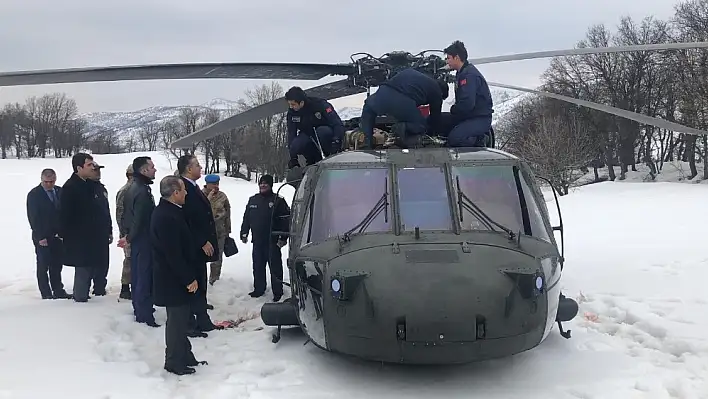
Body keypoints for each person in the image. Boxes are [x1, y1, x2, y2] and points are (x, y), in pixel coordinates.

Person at [151, 175, 206, 375]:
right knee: (176, 322)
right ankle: (174, 361)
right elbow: (172, 253)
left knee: (181, 319)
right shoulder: (166, 216)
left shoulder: (172, 211)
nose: (186, 192)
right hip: (172, 279)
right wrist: (188, 279)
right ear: (175, 193)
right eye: (183, 190)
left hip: (175, 276)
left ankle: (185, 355)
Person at [177, 154, 221, 333]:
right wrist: (201, 241)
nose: (200, 168)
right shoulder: (182, 188)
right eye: (197, 165)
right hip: (191, 247)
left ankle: (202, 319)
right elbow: (186, 219)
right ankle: (190, 322)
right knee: (193, 283)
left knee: (200, 282)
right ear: (188, 169)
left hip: (199, 247)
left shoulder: (193, 187)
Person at [59, 153, 112, 303]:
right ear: (78, 168)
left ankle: (93, 292)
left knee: (96, 266)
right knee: (83, 268)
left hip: (95, 236)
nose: (93, 167)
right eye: (89, 165)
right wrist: (69, 236)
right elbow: (65, 216)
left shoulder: (91, 185)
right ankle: (80, 298)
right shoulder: (70, 188)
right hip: (80, 238)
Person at [360, 68, 449, 148]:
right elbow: (435, 118)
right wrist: (435, 134)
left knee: (368, 109)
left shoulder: (413, 73)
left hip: (382, 93)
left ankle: (366, 143)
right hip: (401, 101)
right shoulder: (437, 90)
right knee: (422, 126)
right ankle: (399, 127)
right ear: (442, 93)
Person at [119, 156, 158, 326]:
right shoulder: (141, 191)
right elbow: (139, 219)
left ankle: (141, 307)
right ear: (143, 170)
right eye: (152, 167)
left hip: (138, 239)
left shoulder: (134, 187)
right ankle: (144, 314)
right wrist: (130, 237)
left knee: (138, 275)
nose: (154, 170)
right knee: (143, 276)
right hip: (143, 240)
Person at [240, 174, 290, 302]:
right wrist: (244, 232)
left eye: (265, 183)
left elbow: (286, 221)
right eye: (261, 183)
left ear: (270, 185)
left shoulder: (278, 200)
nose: (262, 185)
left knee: (275, 268)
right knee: (258, 266)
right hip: (257, 241)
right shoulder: (253, 200)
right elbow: (247, 218)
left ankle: (277, 292)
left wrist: (283, 238)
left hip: (272, 241)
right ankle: (259, 289)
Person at [26, 168, 70, 300]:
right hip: (43, 235)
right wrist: (40, 237)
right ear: (42, 180)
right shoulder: (34, 194)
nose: (49, 184)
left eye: (52, 181)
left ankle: (58, 289)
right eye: (46, 182)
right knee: (43, 264)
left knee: (57, 264)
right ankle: (46, 292)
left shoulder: (60, 191)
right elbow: (33, 217)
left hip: (58, 235)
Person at [442, 40, 495, 147]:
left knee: (455, 138)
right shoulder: (462, 73)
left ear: (456, 57)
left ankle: (480, 140)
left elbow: (467, 104)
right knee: (437, 121)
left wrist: (454, 110)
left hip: (479, 119)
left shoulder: (469, 76)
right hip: (468, 116)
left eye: (448, 58)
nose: (447, 62)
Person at [285, 86, 345, 168]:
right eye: (290, 104)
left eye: (293, 104)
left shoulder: (320, 105)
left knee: (322, 131)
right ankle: (311, 160)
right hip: (308, 135)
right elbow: (291, 134)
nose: (291, 107)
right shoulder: (292, 113)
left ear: (301, 103)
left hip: (327, 136)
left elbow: (337, 124)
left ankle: (329, 155)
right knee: (296, 145)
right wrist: (293, 157)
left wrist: (337, 140)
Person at [87, 163, 112, 296]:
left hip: (103, 230)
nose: (98, 172)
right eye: (95, 170)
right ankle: (87, 286)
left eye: (98, 170)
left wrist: (109, 230)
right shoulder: (86, 188)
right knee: (91, 262)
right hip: (91, 232)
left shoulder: (101, 188)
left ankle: (100, 286)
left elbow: (106, 210)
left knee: (103, 261)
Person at [202, 174, 231, 285]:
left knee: (217, 257)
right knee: (202, 257)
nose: (216, 186)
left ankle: (214, 280)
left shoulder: (222, 196)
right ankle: (201, 280)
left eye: (217, 184)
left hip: (219, 231)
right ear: (207, 184)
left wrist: (228, 230)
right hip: (205, 233)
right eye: (213, 184)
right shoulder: (200, 195)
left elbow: (228, 213)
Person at [116, 164, 134, 300]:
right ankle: (125, 287)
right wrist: (124, 234)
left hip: (134, 231)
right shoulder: (125, 191)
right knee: (129, 260)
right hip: (128, 233)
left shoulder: (136, 190)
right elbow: (120, 213)